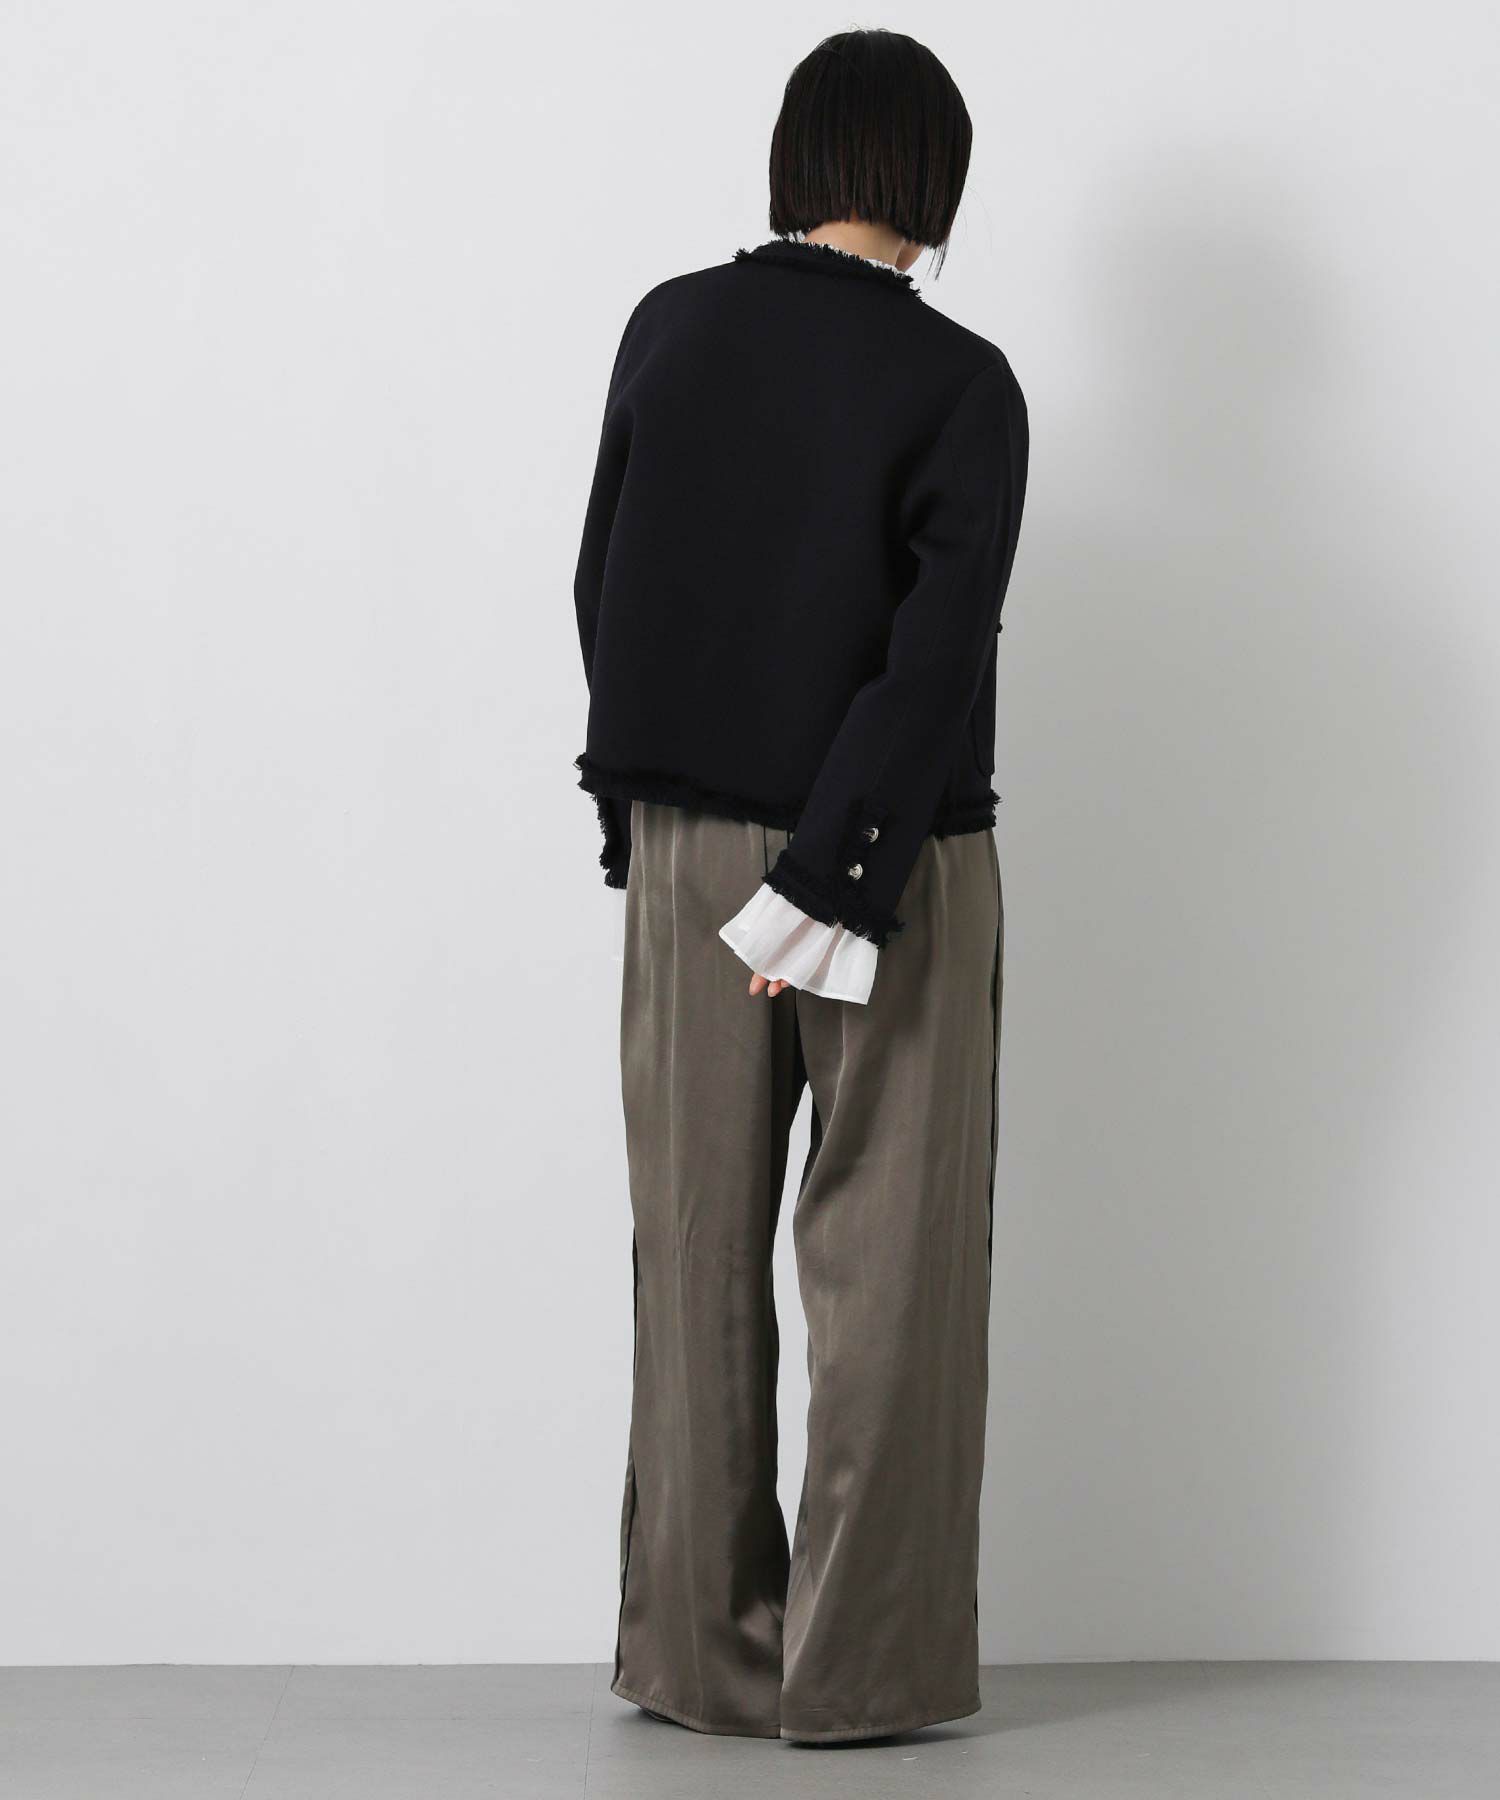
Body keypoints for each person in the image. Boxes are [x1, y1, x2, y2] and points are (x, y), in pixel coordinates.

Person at [572, 27, 1028, 1744]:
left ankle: (701, 1658)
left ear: (797, 155)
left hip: (687, 851)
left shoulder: (669, 327)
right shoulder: (962, 382)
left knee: (692, 1250)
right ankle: (865, 1671)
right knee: (893, 1264)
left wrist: (656, 836)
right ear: (932, 177)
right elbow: (931, 657)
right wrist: (832, 882)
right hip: (898, 858)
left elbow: (607, 587)